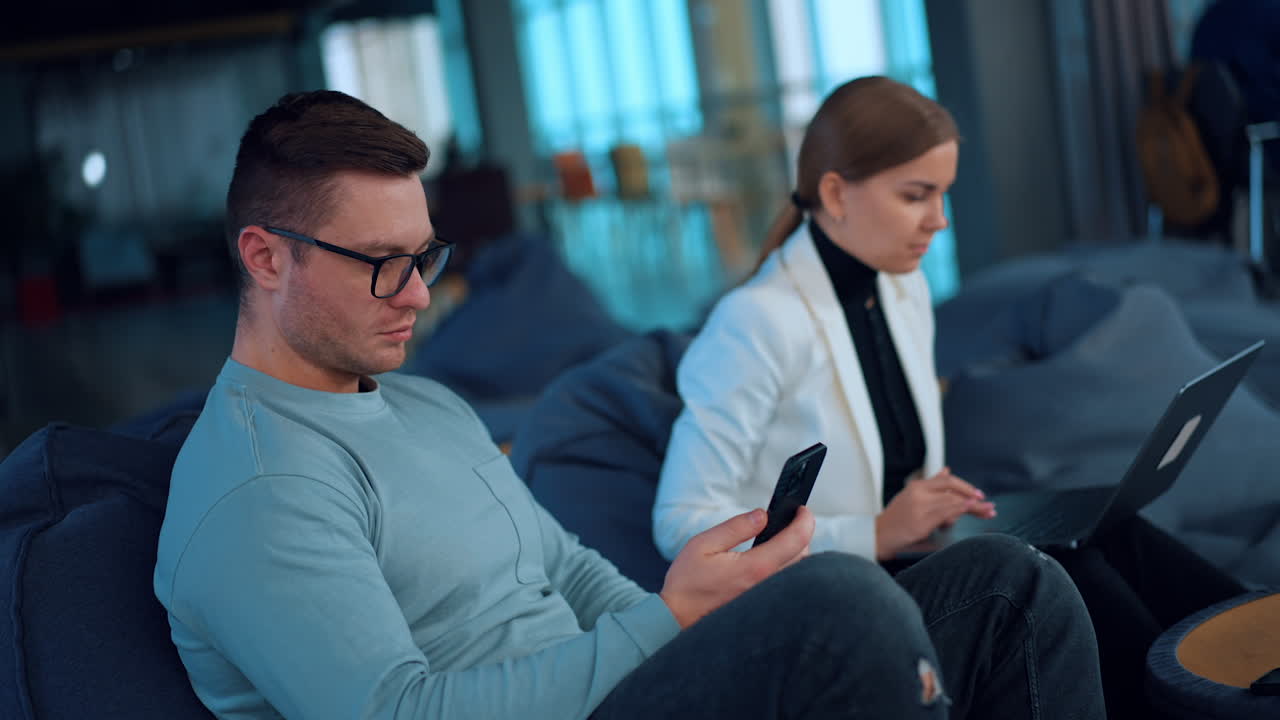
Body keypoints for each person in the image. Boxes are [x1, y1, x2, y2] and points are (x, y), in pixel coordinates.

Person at [154, 89, 1106, 719]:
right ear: (266, 257)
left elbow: (566, 569)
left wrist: (689, 620)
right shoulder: (259, 484)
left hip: (624, 693)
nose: (418, 294)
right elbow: (399, 712)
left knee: (1011, 589)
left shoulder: (427, 406)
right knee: (842, 604)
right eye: (383, 265)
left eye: (428, 258)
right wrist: (666, 626)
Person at [653, 75, 1246, 718]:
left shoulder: (901, 288)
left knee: (1115, 533)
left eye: (942, 195)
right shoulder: (754, 322)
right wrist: (873, 531)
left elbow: (901, 461)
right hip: (845, 592)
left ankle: (1250, 662)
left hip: (917, 551)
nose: (939, 220)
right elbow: (679, 520)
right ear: (835, 193)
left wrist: (930, 503)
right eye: (917, 195)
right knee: (1067, 578)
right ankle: (1207, 701)